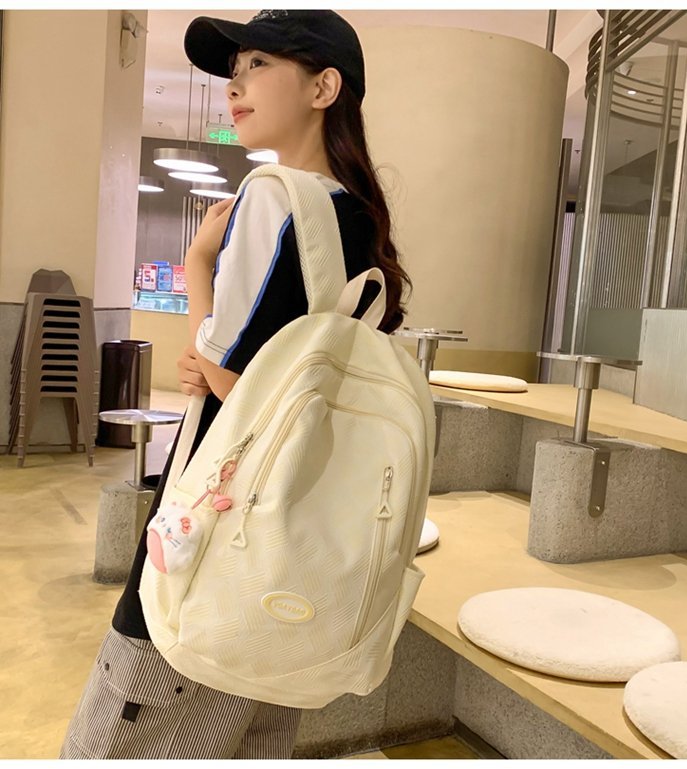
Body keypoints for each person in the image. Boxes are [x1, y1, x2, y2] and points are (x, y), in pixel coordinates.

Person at [60, 9, 411, 760]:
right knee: (252, 734)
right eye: (234, 69)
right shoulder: (358, 215)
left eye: (258, 65)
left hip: (215, 516)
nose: (234, 85)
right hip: (296, 538)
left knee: (124, 731)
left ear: (324, 87)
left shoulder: (272, 196)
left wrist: (197, 268)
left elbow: (227, 380)